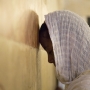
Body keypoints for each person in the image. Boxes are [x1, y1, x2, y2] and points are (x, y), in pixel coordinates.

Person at [39, 10, 90, 90]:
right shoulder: (81, 81)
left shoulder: (84, 86)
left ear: (70, 41)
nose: (49, 60)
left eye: (51, 52)